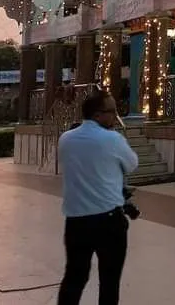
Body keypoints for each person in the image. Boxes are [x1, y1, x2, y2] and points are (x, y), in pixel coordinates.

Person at [57, 91, 139, 305]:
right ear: (97, 115)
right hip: (108, 221)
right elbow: (132, 164)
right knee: (110, 281)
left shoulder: (65, 139)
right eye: (111, 111)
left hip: (75, 222)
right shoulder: (112, 139)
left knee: (74, 277)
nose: (115, 116)